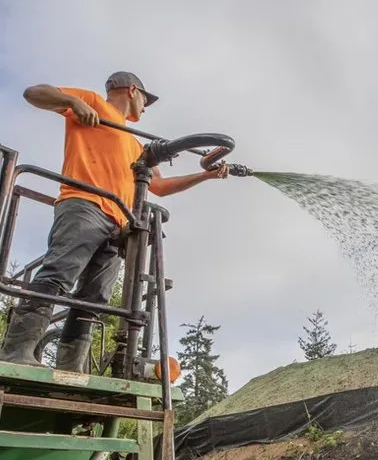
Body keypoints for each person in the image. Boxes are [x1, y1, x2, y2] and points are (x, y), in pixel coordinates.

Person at [0, 71, 229, 372]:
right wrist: (72, 101)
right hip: (84, 205)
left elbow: (159, 186)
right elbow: (33, 92)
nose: (145, 108)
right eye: (145, 100)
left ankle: (70, 368)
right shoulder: (93, 105)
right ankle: (17, 352)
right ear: (132, 90)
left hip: (119, 224)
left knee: (94, 298)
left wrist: (206, 175)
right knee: (58, 275)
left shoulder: (134, 145)